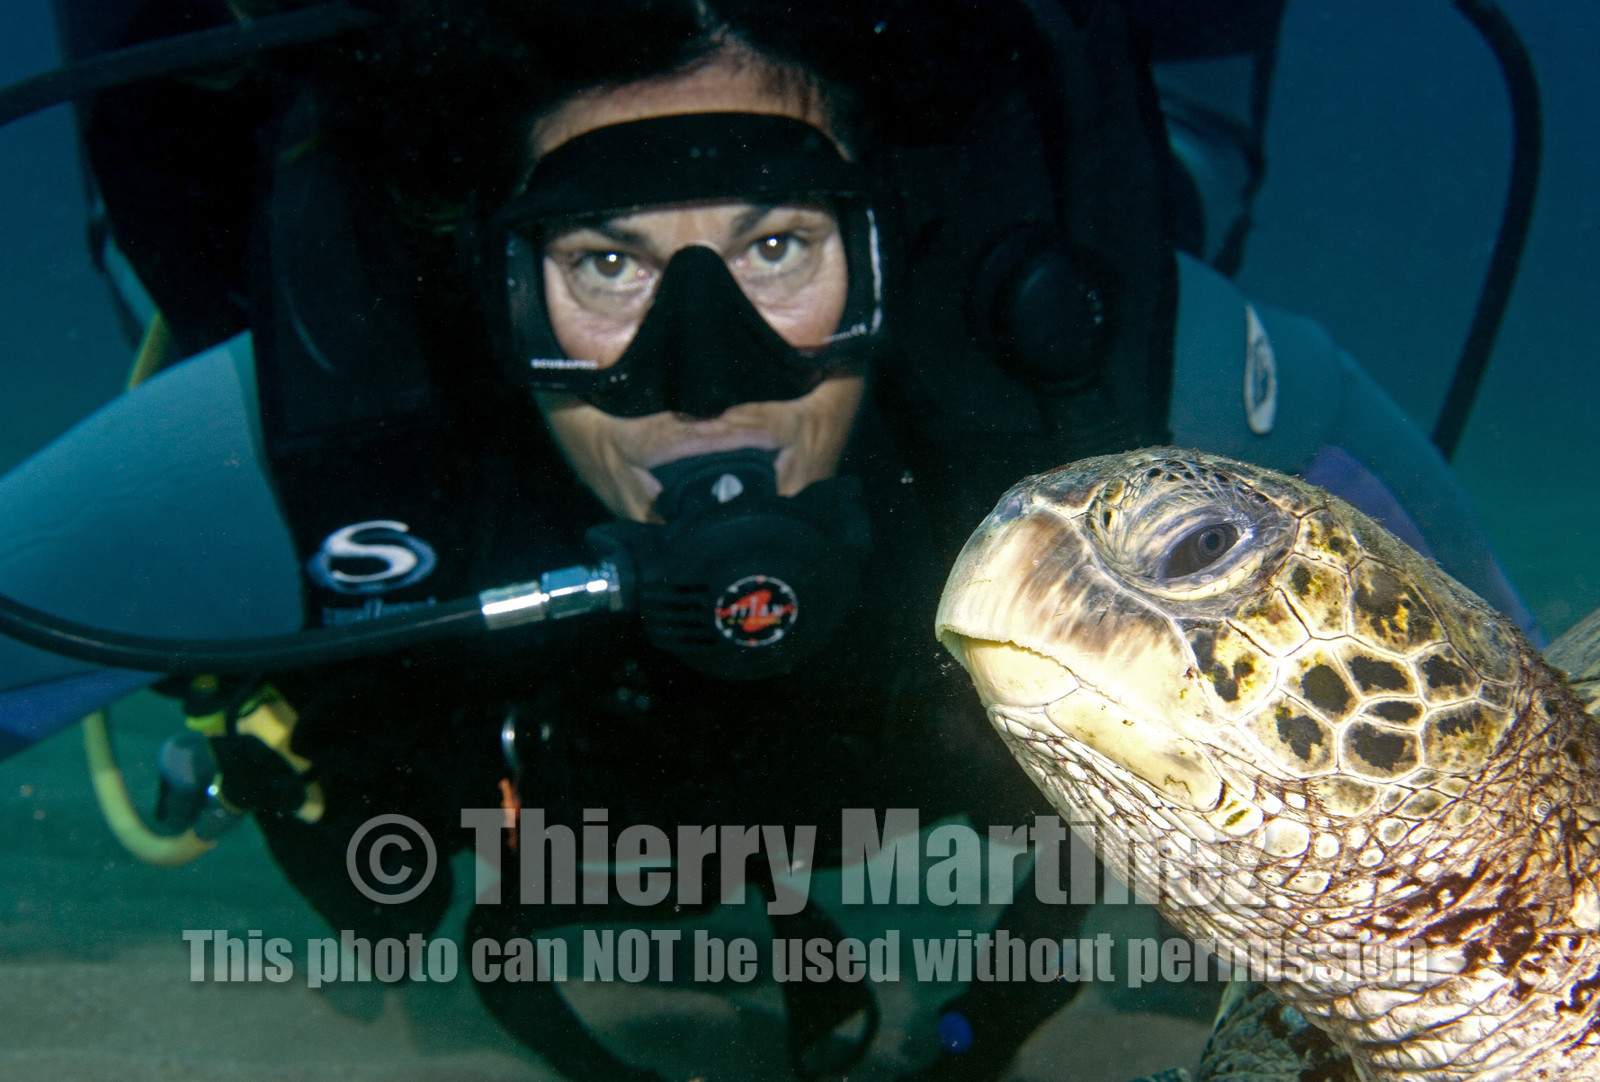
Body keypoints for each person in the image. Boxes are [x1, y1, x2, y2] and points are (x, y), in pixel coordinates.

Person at [0, 1, 1539, 1079]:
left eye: (776, 247)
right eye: (606, 263)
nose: (703, 371)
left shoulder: (1120, 400)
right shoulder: (335, 438)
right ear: (493, 293)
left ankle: (1186, 126)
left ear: (893, 258)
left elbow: (1531, 736)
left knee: (1172, 186)